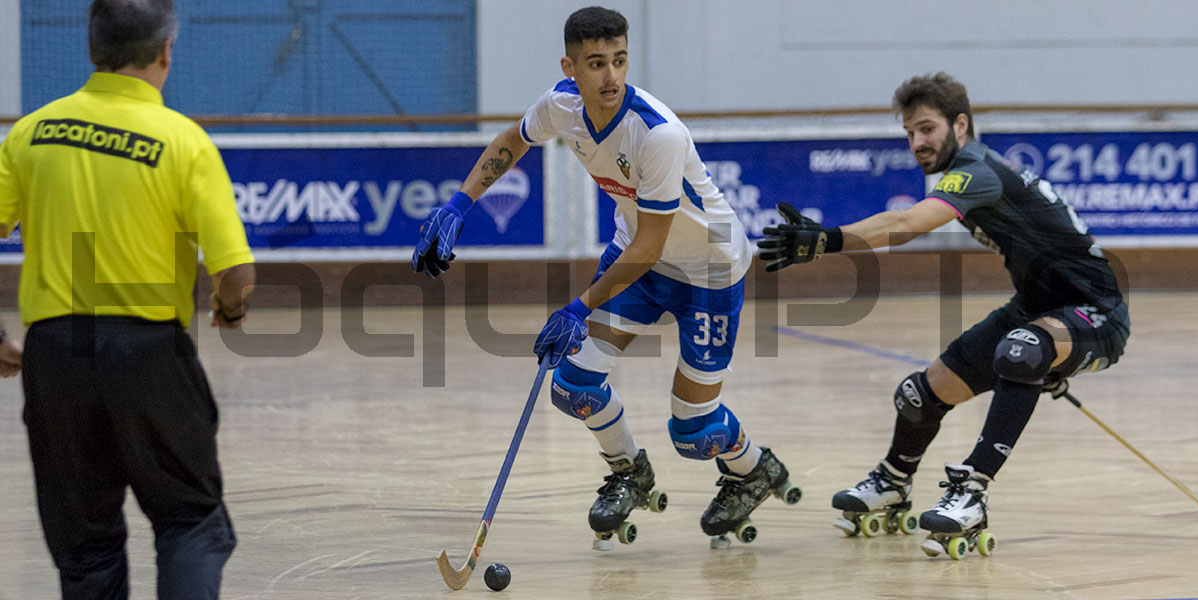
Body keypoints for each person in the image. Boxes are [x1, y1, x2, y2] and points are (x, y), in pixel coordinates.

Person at [412, 6, 800, 549]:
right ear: (570, 67)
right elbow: (512, 139)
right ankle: (628, 473)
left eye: (619, 60)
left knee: (695, 429)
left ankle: (753, 468)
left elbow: (651, 245)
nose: (611, 76)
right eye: (596, 64)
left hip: (707, 269)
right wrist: (458, 203)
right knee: (573, 385)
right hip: (637, 256)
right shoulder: (563, 105)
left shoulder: (657, 134)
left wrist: (579, 306)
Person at [757, 72, 1130, 558]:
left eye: (927, 128)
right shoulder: (970, 171)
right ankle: (893, 481)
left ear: (960, 125)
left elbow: (907, 224)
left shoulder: (976, 170)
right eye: (910, 132)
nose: (917, 142)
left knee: (1022, 352)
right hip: (1039, 310)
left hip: (1098, 314)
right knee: (919, 395)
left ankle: (971, 492)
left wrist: (827, 240)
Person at [0, 0, 256, 596]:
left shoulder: (29, 134)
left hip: (54, 357)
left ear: (91, 51)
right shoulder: (182, 141)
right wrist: (230, 307)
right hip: (149, 359)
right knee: (191, 523)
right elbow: (237, 272)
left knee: (85, 550)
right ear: (166, 52)